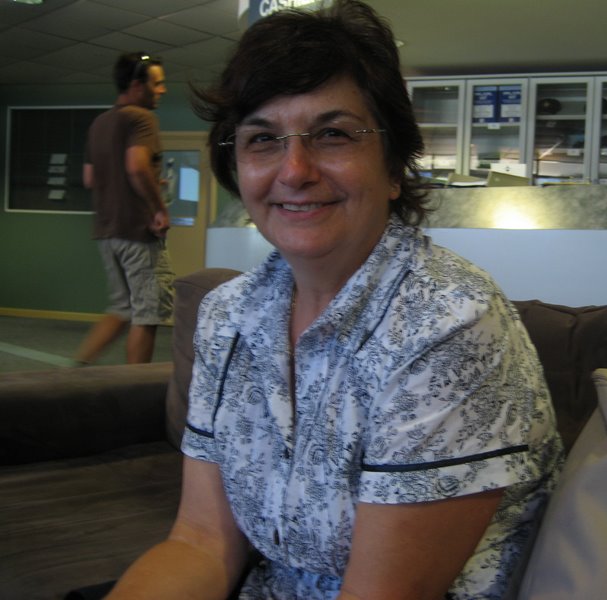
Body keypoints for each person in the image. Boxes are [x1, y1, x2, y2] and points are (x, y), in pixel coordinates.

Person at [107, 2, 562, 599]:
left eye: (332, 135)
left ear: (393, 167)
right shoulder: (227, 316)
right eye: (263, 139)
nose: (294, 170)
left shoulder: (449, 321)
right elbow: (200, 541)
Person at [76, 52, 175, 365]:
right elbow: (136, 166)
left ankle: (76, 370)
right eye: (157, 84)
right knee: (147, 313)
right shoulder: (141, 118)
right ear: (136, 85)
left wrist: (144, 182)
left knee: (122, 308)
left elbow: (90, 178)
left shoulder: (100, 123)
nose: (163, 90)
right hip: (136, 232)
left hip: (107, 232)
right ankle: (135, 386)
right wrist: (159, 209)